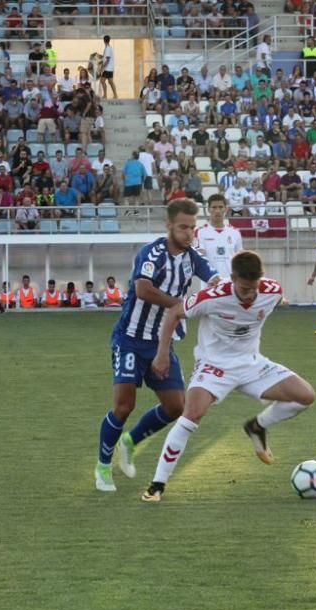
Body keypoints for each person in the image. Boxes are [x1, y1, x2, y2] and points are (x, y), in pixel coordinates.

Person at [141, 251, 316, 502]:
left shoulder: (271, 290)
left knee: (305, 396)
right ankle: (157, 484)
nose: (250, 294)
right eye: (244, 288)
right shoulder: (212, 297)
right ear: (232, 278)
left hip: (252, 364)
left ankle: (257, 427)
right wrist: (162, 354)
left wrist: (277, 300)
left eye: (254, 288)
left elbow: (275, 299)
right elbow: (173, 314)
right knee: (191, 415)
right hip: (214, 366)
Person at [95, 198, 219, 492]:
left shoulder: (193, 256)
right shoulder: (152, 252)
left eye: (192, 227)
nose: (189, 233)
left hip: (162, 340)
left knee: (177, 406)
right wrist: (181, 303)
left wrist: (227, 294)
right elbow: (143, 288)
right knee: (124, 406)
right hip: (129, 339)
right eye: (182, 227)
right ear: (169, 226)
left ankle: (131, 441)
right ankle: (102, 467)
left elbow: (214, 279)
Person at [193, 193, 243, 279]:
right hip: (210, 283)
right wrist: (211, 276)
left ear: (226, 209)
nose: (217, 211)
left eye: (220, 207)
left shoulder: (235, 232)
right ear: (208, 209)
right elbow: (200, 259)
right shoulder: (200, 232)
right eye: (214, 207)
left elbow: (240, 258)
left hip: (231, 282)